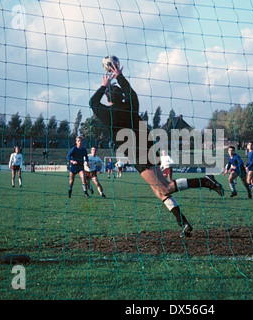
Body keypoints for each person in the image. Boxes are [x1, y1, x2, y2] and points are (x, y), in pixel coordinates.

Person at [89, 61, 224, 237]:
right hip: (150, 147)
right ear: (121, 96)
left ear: (108, 99)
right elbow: (131, 93)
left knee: (165, 188)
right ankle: (183, 223)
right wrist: (120, 77)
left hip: (138, 154)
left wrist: (103, 85)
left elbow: (92, 102)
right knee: (158, 191)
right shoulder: (131, 105)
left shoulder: (107, 114)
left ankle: (206, 181)